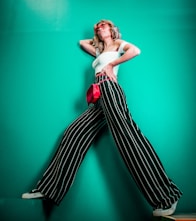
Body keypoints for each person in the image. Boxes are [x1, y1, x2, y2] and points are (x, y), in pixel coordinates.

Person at [22, 19, 182, 217]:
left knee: (128, 139)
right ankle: (48, 189)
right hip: (98, 97)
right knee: (74, 133)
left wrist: (112, 62)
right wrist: (99, 38)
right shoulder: (99, 51)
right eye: (98, 27)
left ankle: (166, 196)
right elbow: (82, 42)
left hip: (110, 88)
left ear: (113, 29)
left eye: (104, 25)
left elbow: (136, 51)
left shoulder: (118, 45)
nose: (100, 27)